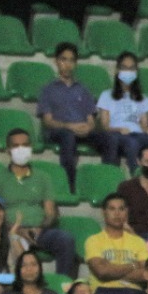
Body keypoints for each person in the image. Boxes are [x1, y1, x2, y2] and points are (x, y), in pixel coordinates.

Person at [0, 132, 77, 278]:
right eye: (16, 146)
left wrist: (40, 228)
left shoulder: (43, 177)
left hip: (39, 232)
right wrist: (18, 230)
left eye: (25, 145)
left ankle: (63, 286)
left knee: (65, 239)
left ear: (31, 147)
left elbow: (50, 212)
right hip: (9, 231)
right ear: (8, 150)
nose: (21, 149)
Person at [38, 42, 121, 190]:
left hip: (82, 130)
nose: (67, 64)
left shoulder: (82, 89)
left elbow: (91, 119)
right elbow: (48, 121)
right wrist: (69, 126)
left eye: (71, 60)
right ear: (56, 61)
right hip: (59, 131)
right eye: (64, 59)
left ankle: (108, 182)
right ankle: (70, 185)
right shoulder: (48, 89)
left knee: (110, 139)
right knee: (68, 136)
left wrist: (89, 127)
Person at [83, 194, 148, 294]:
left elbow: (145, 274)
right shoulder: (93, 240)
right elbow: (101, 272)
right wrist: (134, 265)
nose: (117, 213)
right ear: (104, 212)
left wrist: (111, 270)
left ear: (127, 212)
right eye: (112, 209)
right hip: (102, 291)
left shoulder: (138, 241)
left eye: (121, 209)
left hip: (133, 291)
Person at [99, 53, 148, 178]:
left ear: (136, 72)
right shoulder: (106, 95)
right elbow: (104, 125)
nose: (128, 72)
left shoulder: (142, 98)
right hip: (118, 133)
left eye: (131, 68)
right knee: (132, 143)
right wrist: (118, 129)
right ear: (117, 70)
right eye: (124, 68)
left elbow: (144, 124)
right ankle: (136, 176)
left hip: (138, 134)